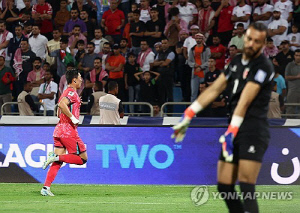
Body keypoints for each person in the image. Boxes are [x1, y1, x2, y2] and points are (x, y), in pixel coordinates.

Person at [172, 23, 274, 213]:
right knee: (224, 186)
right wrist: (188, 114)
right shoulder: (235, 62)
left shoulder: (263, 67)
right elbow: (215, 88)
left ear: (263, 44)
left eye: (257, 41)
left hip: (253, 130)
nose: (252, 44)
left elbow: (245, 100)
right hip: (233, 128)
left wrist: (232, 130)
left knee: (246, 187)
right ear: (245, 38)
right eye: (249, 39)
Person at [41, 69, 87, 196]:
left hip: (58, 130)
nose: (81, 79)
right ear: (74, 80)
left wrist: (76, 104)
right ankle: (54, 157)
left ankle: (45, 188)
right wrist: (72, 117)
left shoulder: (66, 92)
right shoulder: (71, 92)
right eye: (80, 77)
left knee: (58, 162)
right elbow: (62, 105)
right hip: (68, 131)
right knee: (82, 158)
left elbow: (58, 112)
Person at [187, 33, 211, 102]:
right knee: (193, 94)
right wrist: (194, 65)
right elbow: (189, 61)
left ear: (202, 39)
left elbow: (208, 61)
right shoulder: (192, 49)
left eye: (200, 38)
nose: (198, 40)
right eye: (197, 38)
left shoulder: (206, 49)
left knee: (205, 93)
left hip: (204, 73)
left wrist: (200, 67)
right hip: (195, 74)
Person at [285, 49, 300, 117]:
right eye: (297, 55)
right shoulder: (290, 65)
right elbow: (286, 77)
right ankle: (288, 125)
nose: (298, 57)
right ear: (294, 56)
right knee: (290, 108)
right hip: (293, 90)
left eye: (299, 55)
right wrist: (297, 77)